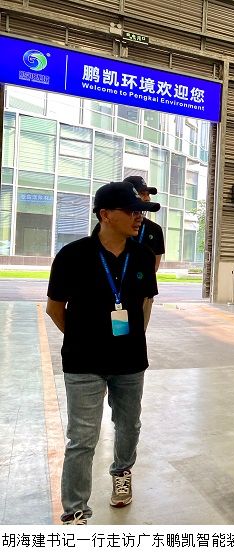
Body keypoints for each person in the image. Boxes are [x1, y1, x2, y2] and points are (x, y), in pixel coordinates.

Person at [46, 182, 160, 525]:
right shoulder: (72, 255)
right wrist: (82, 338)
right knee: (82, 437)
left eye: (141, 212)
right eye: (132, 211)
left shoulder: (142, 256)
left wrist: (134, 338)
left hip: (130, 361)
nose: (139, 218)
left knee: (129, 425)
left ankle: (122, 471)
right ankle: (75, 509)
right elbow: (54, 308)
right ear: (105, 215)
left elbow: (145, 302)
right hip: (84, 362)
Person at [122, 175, 165, 272]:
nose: (147, 199)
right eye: (142, 194)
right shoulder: (115, 227)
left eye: (148, 194)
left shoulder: (156, 229)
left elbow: (154, 268)